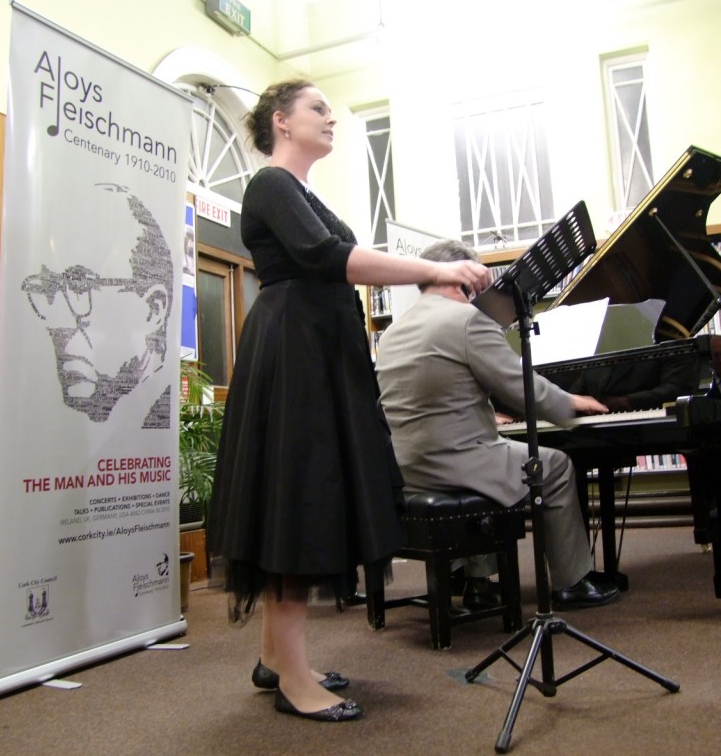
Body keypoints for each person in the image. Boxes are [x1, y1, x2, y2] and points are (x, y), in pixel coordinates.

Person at [206, 79, 491, 724]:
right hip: (295, 356)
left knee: (300, 493)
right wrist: (435, 270)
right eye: (318, 110)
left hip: (313, 350)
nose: (331, 119)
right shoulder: (270, 184)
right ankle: (294, 678)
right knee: (300, 500)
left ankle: (276, 656)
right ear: (282, 122)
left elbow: (335, 256)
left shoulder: (301, 191)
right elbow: (330, 257)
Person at [375, 239, 621, 613]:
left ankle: (478, 584)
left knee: (494, 463)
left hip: (405, 467)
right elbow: (523, 388)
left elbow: (427, 395)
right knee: (554, 466)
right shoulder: (467, 320)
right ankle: (572, 582)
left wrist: (482, 416)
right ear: (462, 277)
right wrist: (568, 403)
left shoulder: (393, 331)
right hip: (453, 464)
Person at [21, 182, 173, 429]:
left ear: (153, 309)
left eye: (79, 286)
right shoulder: (48, 431)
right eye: (48, 289)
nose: (58, 323)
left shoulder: (157, 433)